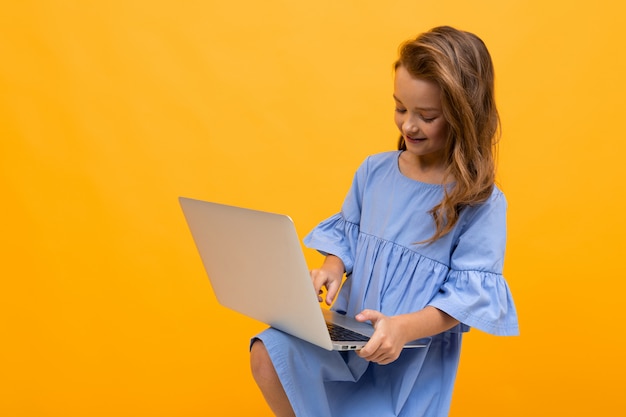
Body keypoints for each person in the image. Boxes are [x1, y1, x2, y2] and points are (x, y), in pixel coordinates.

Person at [249, 25, 519, 417]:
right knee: (268, 352)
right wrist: (331, 269)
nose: (408, 125)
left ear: (463, 115)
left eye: (426, 116)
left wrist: (401, 329)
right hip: (347, 338)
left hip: (406, 359)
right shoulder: (374, 172)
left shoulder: (480, 202)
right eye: (400, 108)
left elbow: (466, 300)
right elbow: (347, 239)